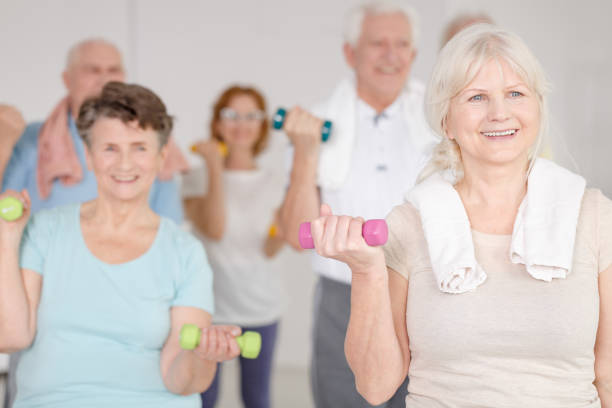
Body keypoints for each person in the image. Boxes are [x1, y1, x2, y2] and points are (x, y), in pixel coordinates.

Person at [308, 24, 612, 407]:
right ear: (446, 121)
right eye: (477, 97)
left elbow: (608, 374)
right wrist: (367, 272)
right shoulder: (409, 225)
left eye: (515, 93)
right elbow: (375, 385)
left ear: (537, 106)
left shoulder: (595, 216)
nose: (499, 113)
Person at [0, 82, 242, 408]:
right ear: (88, 155)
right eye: (110, 148)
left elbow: (182, 380)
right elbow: (10, 337)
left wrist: (203, 355)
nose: (125, 163)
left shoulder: (185, 252)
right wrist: (7, 236)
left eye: (140, 147)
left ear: (161, 156)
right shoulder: (44, 230)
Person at [278, 1, 438, 406]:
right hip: (343, 298)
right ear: (351, 53)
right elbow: (297, 236)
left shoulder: (441, 120)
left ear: (414, 55)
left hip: (425, 295)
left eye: (401, 44)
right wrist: (305, 153)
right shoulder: (314, 121)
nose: (390, 55)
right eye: (377, 43)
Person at [0, 38, 186, 221]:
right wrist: (3, 142)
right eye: (92, 70)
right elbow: (4, 211)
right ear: (67, 79)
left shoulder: (152, 137)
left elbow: (169, 224)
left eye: (113, 70)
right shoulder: (31, 138)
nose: (104, 79)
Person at [182, 85, 286, 408]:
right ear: (217, 123)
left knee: (256, 398)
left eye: (251, 115)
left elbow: (271, 249)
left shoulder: (277, 181)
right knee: (204, 397)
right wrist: (215, 167)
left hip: (260, 308)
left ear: (262, 125)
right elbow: (215, 229)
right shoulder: (195, 177)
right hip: (208, 309)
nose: (241, 123)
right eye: (231, 115)